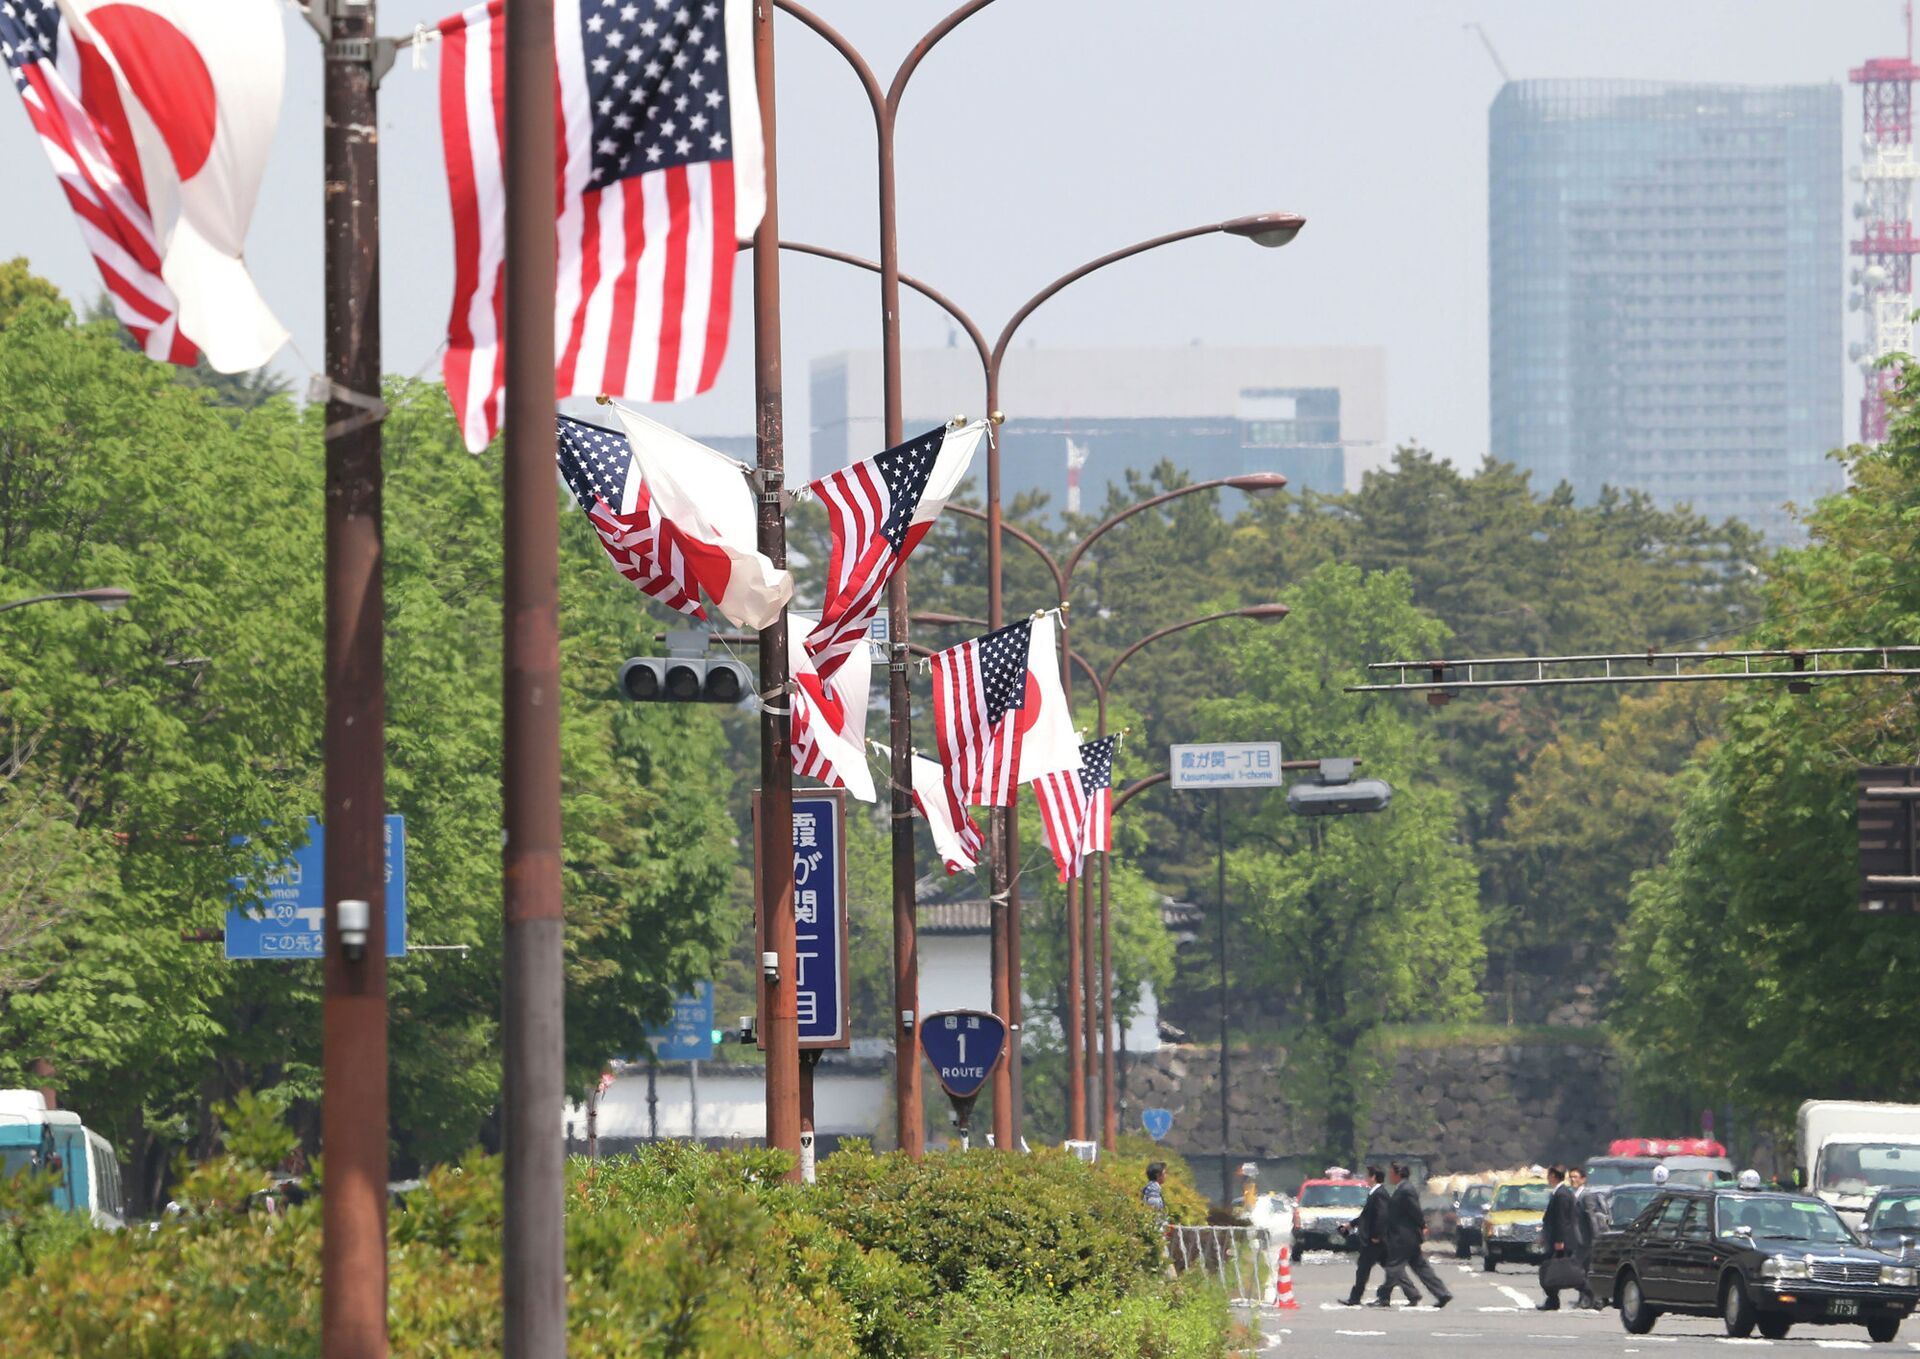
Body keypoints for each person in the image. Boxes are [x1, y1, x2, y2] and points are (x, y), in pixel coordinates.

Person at [1369, 1162, 1453, 1309]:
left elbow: (1414, 1210)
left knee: (1393, 1266)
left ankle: (1385, 1297)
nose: (1389, 1176)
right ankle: (1441, 1293)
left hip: (1404, 1237)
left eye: (1391, 1173)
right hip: (1408, 1237)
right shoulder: (1402, 1188)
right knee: (1420, 1266)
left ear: (1398, 1174)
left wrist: (1422, 1225)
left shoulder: (1405, 1189)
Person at [1341, 1166, 1390, 1306]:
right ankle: (1411, 1293)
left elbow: (1382, 1216)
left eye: (1367, 1175)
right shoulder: (1374, 1193)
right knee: (1392, 1269)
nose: (1365, 1178)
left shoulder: (1379, 1193)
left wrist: (1376, 1235)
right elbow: (1366, 1216)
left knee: (1363, 1268)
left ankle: (1355, 1298)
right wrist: (1351, 1224)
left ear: (1373, 1176)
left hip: (1374, 1240)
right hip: (1376, 1239)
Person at [1539, 1164, 1580, 1311]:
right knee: (1556, 1270)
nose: (1547, 1177)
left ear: (1554, 1176)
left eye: (1549, 1174)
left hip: (1560, 1241)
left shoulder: (1562, 1194)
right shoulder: (1560, 1193)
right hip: (1557, 1239)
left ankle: (1554, 1299)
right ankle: (1552, 1299)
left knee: (1554, 1270)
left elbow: (1562, 1220)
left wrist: (1559, 1241)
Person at [1568, 1166, 1601, 1309]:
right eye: (1571, 1177)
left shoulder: (1586, 1196)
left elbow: (1591, 1217)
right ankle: (1585, 1298)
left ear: (1583, 1179)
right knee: (1583, 1270)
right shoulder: (1574, 1195)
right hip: (1577, 1240)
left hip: (1585, 1240)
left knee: (1577, 1270)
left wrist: (1596, 1238)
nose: (1572, 1180)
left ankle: (1596, 1297)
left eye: (1575, 1177)